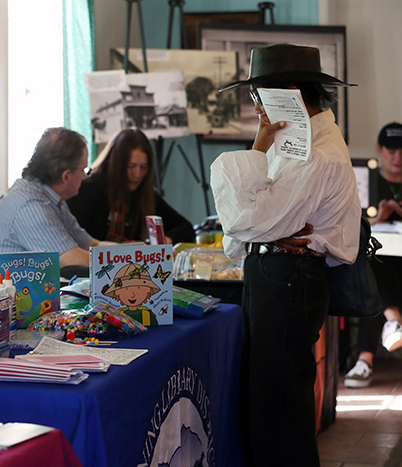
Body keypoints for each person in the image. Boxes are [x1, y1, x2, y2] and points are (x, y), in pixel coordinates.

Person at [210, 44, 360, 466]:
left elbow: (244, 219)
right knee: (270, 405)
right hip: (279, 272)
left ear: (291, 93)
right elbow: (252, 222)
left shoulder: (314, 151)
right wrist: (268, 226)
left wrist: (266, 227)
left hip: (289, 277)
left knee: (278, 412)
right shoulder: (296, 139)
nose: (256, 105)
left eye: (260, 95)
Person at [0, 127, 115, 291]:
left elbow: (92, 245)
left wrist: (141, 252)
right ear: (66, 176)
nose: (85, 176)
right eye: (83, 170)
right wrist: (129, 263)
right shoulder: (30, 206)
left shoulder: (50, 198)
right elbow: (71, 260)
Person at [344, 122, 402, 388]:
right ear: (379, 150)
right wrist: (378, 219)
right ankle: (393, 321)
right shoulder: (366, 182)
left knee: (374, 278)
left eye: (401, 150)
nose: (397, 157)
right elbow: (351, 223)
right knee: (372, 267)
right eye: (390, 150)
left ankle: (365, 359)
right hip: (379, 257)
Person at [66, 128, 195, 244]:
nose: (137, 174)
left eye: (143, 167)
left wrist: (164, 240)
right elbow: (76, 242)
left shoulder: (144, 193)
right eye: (130, 166)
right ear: (115, 164)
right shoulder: (87, 190)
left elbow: (186, 228)